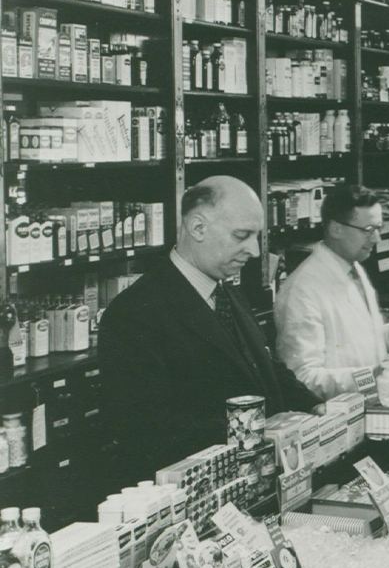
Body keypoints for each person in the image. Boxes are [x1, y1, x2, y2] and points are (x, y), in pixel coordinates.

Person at [99, 176, 322, 483]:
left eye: (256, 236)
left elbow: (264, 367)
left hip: (259, 476)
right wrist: (254, 431)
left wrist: (313, 405)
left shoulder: (227, 291)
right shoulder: (135, 312)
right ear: (198, 228)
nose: (255, 251)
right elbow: (142, 427)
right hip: (204, 490)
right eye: (241, 236)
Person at [275, 184, 389, 400]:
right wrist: (370, 377)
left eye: (379, 228)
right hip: (336, 420)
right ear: (335, 229)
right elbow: (302, 378)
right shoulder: (302, 289)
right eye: (368, 230)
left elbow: (351, 344)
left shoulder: (354, 267)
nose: (377, 239)